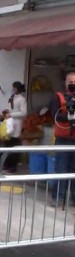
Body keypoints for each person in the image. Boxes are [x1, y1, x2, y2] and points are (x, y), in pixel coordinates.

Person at [49, 72, 75, 207]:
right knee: (61, 168)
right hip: (63, 138)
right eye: (70, 81)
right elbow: (54, 115)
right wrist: (69, 118)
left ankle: (73, 199)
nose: (72, 84)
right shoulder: (58, 97)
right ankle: (58, 197)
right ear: (65, 83)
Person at [3, 81, 27, 173]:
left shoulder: (22, 99)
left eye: (13, 88)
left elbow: (23, 112)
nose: (12, 90)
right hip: (10, 123)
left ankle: (13, 166)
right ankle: (7, 165)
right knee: (8, 144)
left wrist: (12, 114)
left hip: (17, 123)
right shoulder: (12, 97)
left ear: (17, 89)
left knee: (14, 145)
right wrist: (7, 111)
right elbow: (11, 108)